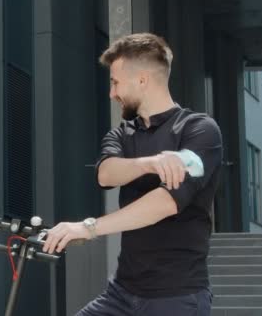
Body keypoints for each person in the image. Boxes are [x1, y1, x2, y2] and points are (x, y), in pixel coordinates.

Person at [42, 33, 223, 316]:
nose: (111, 93)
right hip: (122, 294)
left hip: (176, 297)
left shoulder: (199, 130)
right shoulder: (123, 134)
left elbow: (165, 203)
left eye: (115, 83)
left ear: (142, 80)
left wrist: (87, 228)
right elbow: (106, 174)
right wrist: (151, 163)